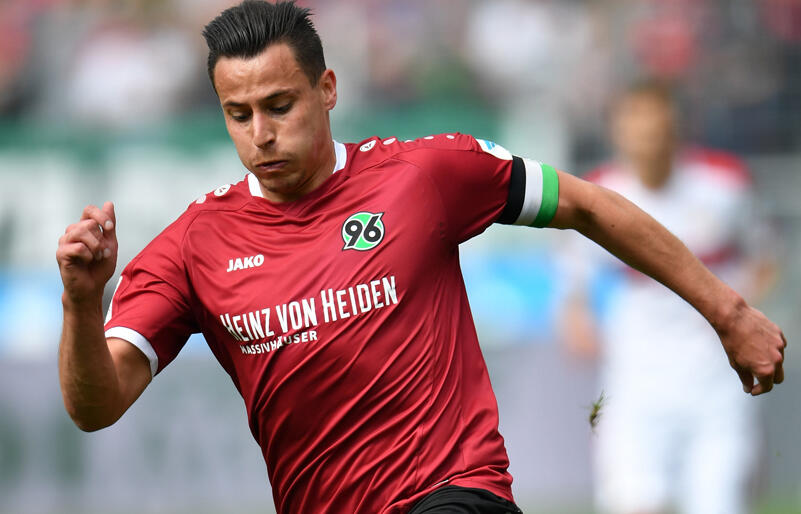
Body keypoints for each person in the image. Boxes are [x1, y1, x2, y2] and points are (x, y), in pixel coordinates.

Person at [55, 2, 786, 513]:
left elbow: (587, 205)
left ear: (327, 89)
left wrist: (727, 312)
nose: (261, 135)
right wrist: (82, 303)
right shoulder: (194, 244)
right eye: (238, 115)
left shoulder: (422, 176)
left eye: (279, 106)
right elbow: (96, 406)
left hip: (456, 492)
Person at [561, 80, 778, 514]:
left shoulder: (725, 182)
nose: (648, 138)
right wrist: (576, 318)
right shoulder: (598, 194)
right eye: (637, 127)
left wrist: (740, 312)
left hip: (719, 380)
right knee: (635, 503)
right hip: (635, 381)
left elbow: (767, 256)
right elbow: (573, 281)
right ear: (617, 131)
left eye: (657, 126)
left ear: (676, 127)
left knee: (718, 503)